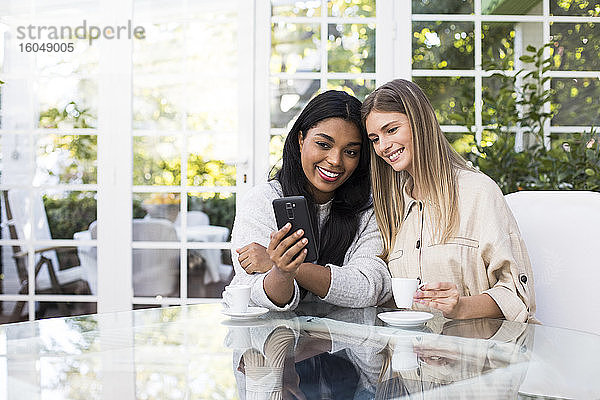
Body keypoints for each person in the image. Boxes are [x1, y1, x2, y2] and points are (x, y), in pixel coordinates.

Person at [361, 79, 536, 322]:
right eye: (374, 139)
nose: (383, 146)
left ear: (420, 123)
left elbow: (518, 296)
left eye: (391, 130)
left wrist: (461, 307)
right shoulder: (393, 208)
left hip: (477, 354)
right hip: (413, 354)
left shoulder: (478, 192)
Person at [228, 90, 392, 311]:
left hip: (346, 339)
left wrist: (284, 264)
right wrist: (282, 272)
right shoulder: (263, 201)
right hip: (271, 339)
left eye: (350, 152)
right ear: (301, 139)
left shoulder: (368, 208)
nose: (335, 160)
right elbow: (254, 292)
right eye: (324, 144)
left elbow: (368, 287)